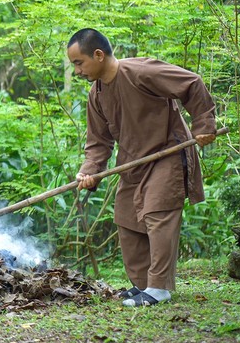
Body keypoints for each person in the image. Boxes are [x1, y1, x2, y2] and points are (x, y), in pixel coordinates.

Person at [67, 29, 217, 307]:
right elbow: (98, 141)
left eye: (79, 63)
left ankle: (159, 287)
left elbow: (192, 83)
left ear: (98, 55)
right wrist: (90, 171)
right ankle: (143, 284)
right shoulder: (96, 94)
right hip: (132, 162)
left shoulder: (140, 71)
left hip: (167, 154)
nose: (77, 71)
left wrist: (204, 125)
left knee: (157, 213)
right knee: (127, 217)